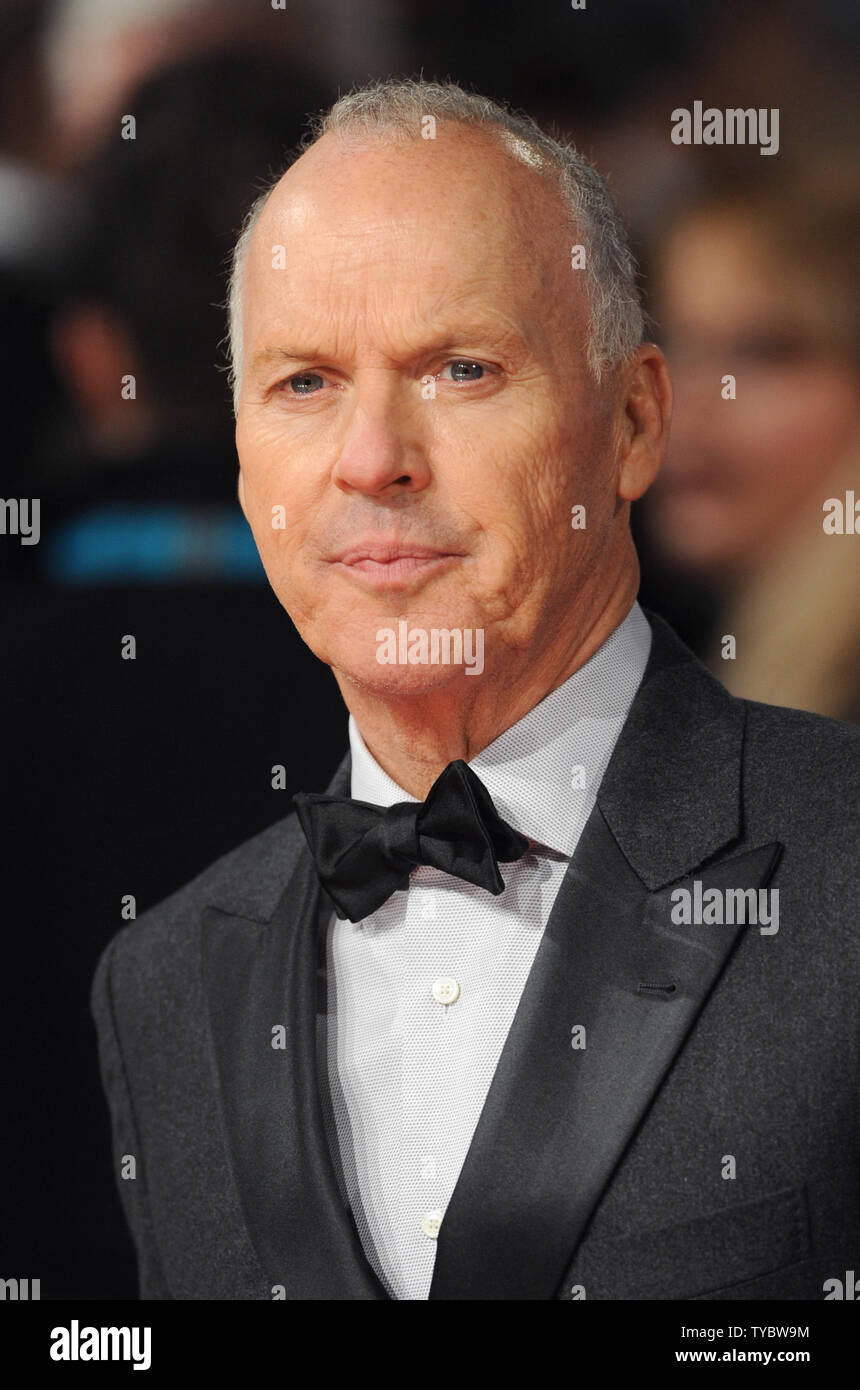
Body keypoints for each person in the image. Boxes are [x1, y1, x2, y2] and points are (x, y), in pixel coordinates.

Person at [90, 78, 860, 1301]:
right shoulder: (161, 982)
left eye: (458, 368)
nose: (371, 459)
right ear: (240, 458)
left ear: (632, 420)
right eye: (303, 384)